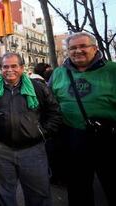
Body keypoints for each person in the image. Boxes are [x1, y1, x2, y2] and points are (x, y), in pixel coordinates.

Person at [50, 32, 116, 206]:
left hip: (107, 138)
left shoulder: (112, 70)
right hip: (72, 138)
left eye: (83, 46)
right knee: (78, 190)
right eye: (72, 48)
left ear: (95, 48)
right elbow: (49, 104)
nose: (77, 51)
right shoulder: (59, 73)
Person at [0, 52, 61, 206]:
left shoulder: (38, 88)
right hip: (0, 150)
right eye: (5, 66)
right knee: (4, 196)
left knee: (38, 196)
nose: (9, 70)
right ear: (0, 68)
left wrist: (42, 133)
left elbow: (54, 113)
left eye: (14, 66)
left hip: (33, 150)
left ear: (22, 68)